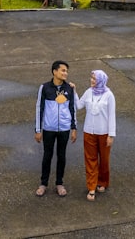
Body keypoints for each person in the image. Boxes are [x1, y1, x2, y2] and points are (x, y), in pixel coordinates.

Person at [34, 60, 78, 197]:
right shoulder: (45, 88)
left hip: (64, 129)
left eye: (66, 71)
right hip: (49, 128)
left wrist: (74, 128)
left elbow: (73, 108)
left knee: (62, 156)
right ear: (54, 71)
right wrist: (38, 130)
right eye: (63, 70)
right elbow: (39, 108)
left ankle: (59, 183)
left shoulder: (69, 88)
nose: (66, 73)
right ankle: (43, 183)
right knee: (47, 155)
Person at [76, 69, 116, 201]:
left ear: (101, 80)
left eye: (94, 79)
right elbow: (78, 105)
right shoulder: (88, 92)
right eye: (91, 78)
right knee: (90, 159)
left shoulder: (109, 95)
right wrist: (73, 91)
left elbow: (112, 116)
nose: (92, 80)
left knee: (104, 160)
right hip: (89, 131)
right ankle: (91, 187)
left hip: (104, 133)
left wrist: (111, 135)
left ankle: (103, 181)